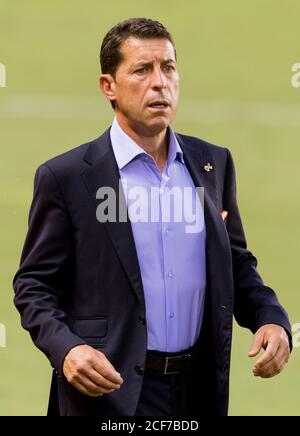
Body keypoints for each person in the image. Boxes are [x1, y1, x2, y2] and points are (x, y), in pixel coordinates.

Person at [13, 18, 291, 417]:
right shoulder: (68, 177)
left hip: (197, 392)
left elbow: (235, 263)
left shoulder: (213, 164)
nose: (160, 82)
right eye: (142, 70)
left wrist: (271, 318)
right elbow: (34, 286)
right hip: (110, 395)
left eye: (168, 67)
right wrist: (67, 349)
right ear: (108, 86)